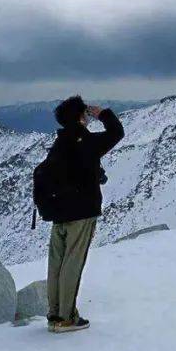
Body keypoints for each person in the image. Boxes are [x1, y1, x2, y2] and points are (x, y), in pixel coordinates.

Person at [46, 95, 124, 333]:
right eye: (85, 114)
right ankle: (66, 318)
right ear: (81, 117)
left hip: (58, 212)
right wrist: (103, 114)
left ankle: (54, 314)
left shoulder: (59, 144)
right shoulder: (86, 142)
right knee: (73, 263)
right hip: (81, 212)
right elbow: (116, 132)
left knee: (56, 264)